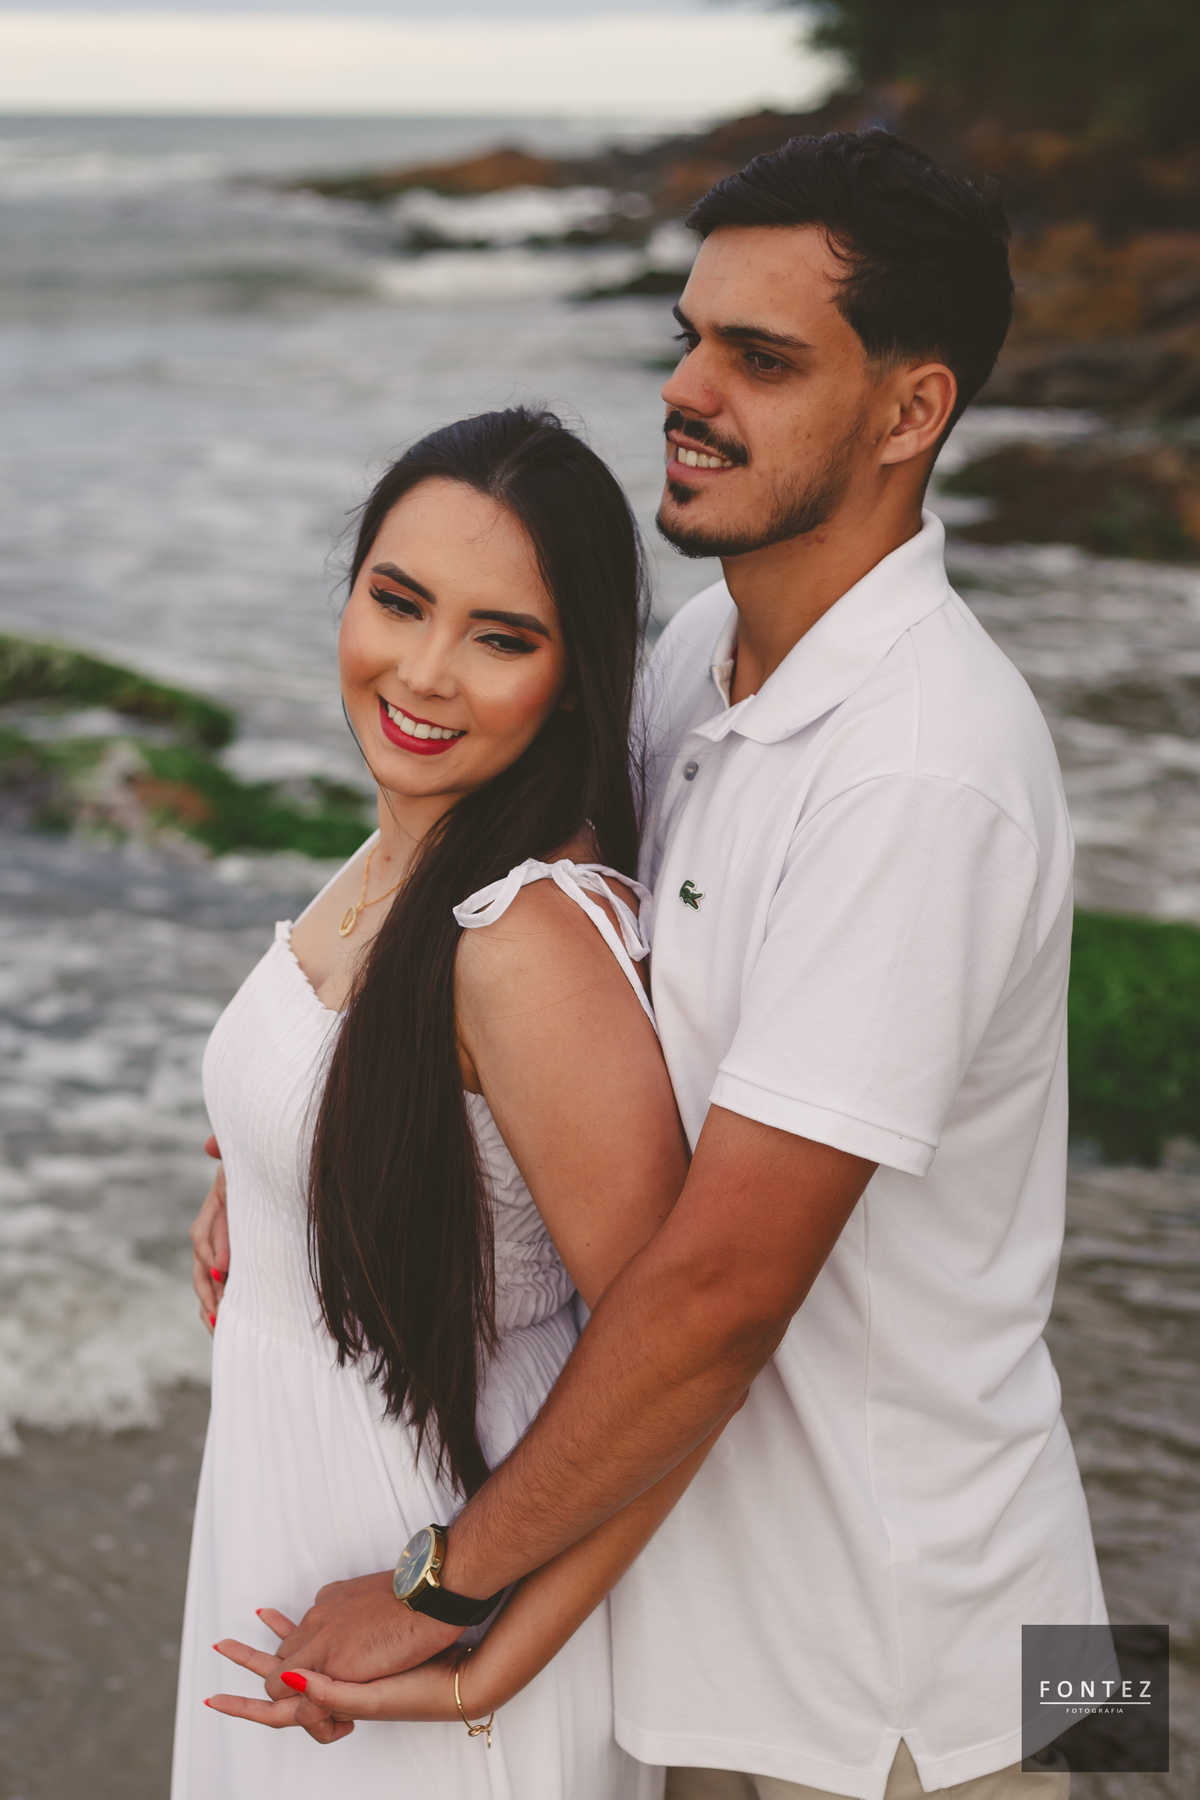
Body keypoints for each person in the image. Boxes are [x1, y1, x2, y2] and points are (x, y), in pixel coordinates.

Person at [243, 132, 1105, 1800]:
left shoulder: (925, 767)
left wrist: (445, 1582)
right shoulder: (708, 653)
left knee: (1098, 1744)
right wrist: (278, 1148)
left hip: (914, 1683)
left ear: (911, 411)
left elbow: (721, 1290)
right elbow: (489, 910)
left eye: (761, 360)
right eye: (690, 336)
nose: (687, 392)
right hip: (745, 1641)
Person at [175, 405, 715, 1799]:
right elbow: (374, 1072)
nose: (422, 673)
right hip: (296, 1525)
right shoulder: (408, 840)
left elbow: (680, 1370)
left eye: (502, 637)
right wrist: (267, 1174)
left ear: (578, 679)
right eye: (398, 601)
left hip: (424, 1572)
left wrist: (476, 1643)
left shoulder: (523, 941)